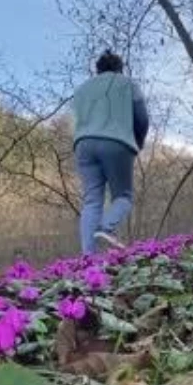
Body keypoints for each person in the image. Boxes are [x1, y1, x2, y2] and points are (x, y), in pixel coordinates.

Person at [71, 50, 149, 254]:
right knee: (123, 196)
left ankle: (88, 257)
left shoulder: (82, 90)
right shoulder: (127, 84)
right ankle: (105, 228)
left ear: (98, 69)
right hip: (117, 142)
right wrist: (138, 142)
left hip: (83, 144)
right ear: (119, 68)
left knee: (91, 199)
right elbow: (142, 118)